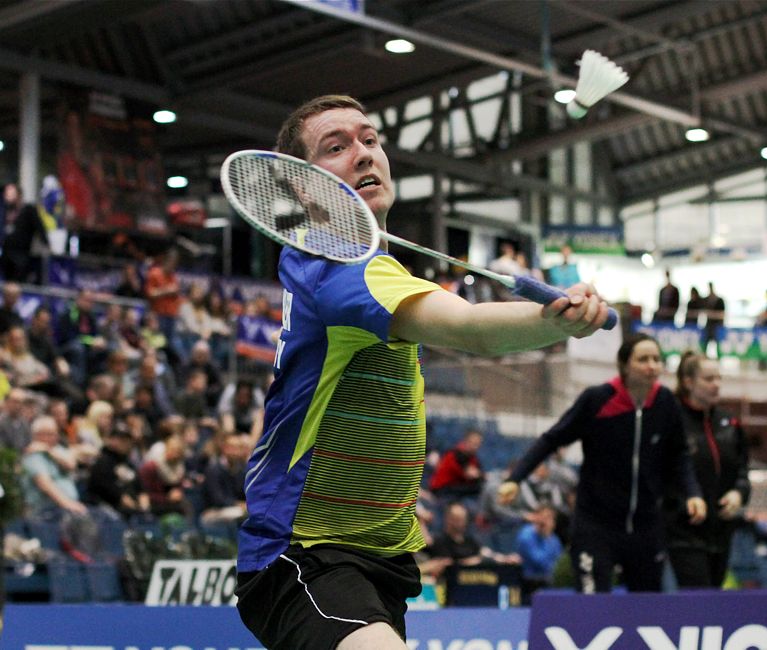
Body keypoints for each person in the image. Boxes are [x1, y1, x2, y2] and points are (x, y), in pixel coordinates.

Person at [234, 94, 610, 650]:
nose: (363, 154)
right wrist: (553, 320)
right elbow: (469, 328)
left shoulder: (363, 268)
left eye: (369, 139)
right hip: (304, 551)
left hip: (378, 557)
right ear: (302, 188)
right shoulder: (341, 269)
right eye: (335, 148)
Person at [498, 333, 706, 594]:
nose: (652, 365)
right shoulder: (597, 399)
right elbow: (552, 439)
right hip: (596, 526)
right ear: (624, 366)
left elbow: (680, 455)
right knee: (593, 607)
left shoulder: (665, 403)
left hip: (646, 527)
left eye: (656, 359)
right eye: (643, 359)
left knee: (648, 612)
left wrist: (693, 493)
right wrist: (515, 478)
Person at [663, 351, 750, 588]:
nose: (716, 385)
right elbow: (661, 475)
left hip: (721, 530)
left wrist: (739, 493)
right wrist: (685, 501)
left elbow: (742, 470)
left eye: (719, 378)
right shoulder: (671, 420)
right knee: (697, 600)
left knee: (714, 595)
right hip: (684, 532)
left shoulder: (729, 423)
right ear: (688, 382)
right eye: (709, 379)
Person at [1, 182, 49, 282]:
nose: (7, 197)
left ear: (18, 195)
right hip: (6, 253)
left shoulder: (29, 210)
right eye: (6, 194)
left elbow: (40, 228)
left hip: (21, 255)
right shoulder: (5, 210)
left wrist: (46, 244)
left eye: (10, 194)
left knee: (19, 282)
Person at [429, 429, 485, 499]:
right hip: (442, 490)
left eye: (478, 444)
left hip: (457, 488)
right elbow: (471, 473)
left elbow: (479, 474)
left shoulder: (473, 458)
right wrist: (481, 475)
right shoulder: (455, 454)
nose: (476, 447)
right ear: (466, 441)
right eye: (473, 443)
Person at [702, 282, 725, 352]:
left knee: (717, 341)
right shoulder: (706, 299)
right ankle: (704, 354)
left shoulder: (719, 300)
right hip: (709, 324)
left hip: (717, 325)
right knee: (706, 340)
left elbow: (722, 313)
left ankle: (718, 355)